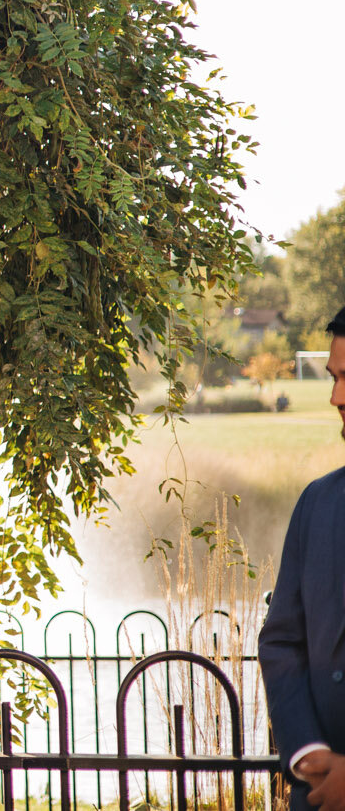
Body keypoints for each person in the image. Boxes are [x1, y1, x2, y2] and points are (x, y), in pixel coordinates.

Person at [260, 304, 345, 811]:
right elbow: (283, 642)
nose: (337, 397)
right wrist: (308, 752)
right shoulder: (316, 503)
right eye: (334, 378)